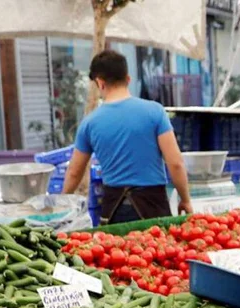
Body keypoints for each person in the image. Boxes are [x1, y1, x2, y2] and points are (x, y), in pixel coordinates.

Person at [63, 50, 193, 224]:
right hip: (153, 207)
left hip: (114, 211)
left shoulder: (89, 123)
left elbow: (74, 173)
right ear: (128, 79)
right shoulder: (154, 112)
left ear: (100, 83)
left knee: (120, 250)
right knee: (157, 250)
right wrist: (185, 199)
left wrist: (61, 204)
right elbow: (175, 163)